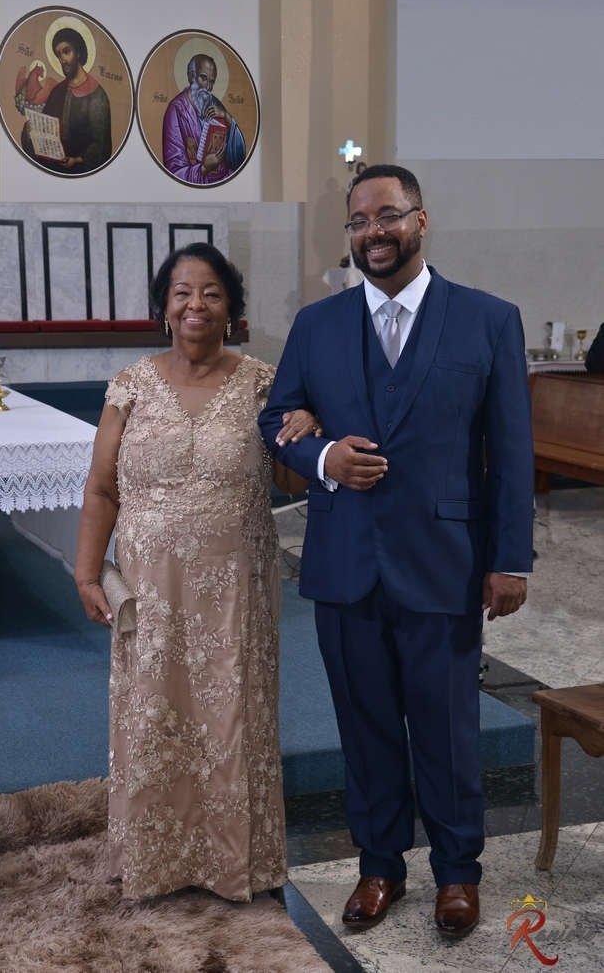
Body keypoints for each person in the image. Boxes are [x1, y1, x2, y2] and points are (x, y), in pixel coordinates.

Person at [259, 164, 535, 938]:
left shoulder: (487, 320)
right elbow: (276, 418)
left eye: (385, 215)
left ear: (419, 219)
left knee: (447, 728)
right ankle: (378, 864)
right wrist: (321, 457)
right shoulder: (317, 325)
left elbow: (511, 450)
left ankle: (457, 873)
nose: (372, 232)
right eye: (357, 221)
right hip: (344, 561)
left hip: (444, 560)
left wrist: (509, 559)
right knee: (364, 725)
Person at [74, 243, 318, 903]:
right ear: (164, 306)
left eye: (211, 293)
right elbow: (101, 489)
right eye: (182, 292)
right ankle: (153, 858)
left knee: (230, 719)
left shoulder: (263, 384)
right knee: (154, 716)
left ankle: (232, 861)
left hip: (234, 588)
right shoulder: (130, 386)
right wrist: (87, 574)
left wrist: (303, 429)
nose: (196, 305)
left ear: (231, 308)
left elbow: (293, 481)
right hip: (150, 590)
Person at [19, 27, 112, 174]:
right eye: (59, 55)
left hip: (82, 171)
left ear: (78, 52)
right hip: (55, 166)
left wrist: (77, 160)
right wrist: (32, 132)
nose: (63, 60)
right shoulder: (58, 91)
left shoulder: (97, 96)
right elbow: (45, 128)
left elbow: (102, 145)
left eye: (67, 52)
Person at [162, 54, 246, 184]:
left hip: (225, 178)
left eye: (211, 82)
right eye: (203, 78)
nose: (208, 87)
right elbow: (173, 170)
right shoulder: (176, 110)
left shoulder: (215, 103)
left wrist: (226, 116)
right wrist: (204, 168)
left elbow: (239, 157)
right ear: (191, 76)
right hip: (197, 181)